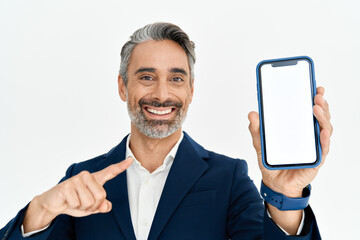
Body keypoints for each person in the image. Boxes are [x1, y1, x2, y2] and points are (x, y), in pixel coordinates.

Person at [0, 22, 332, 240]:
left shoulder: (228, 177)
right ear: (122, 86)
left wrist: (287, 199)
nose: (162, 94)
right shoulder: (84, 178)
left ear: (190, 90)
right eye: (146, 77)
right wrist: (40, 210)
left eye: (176, 78)